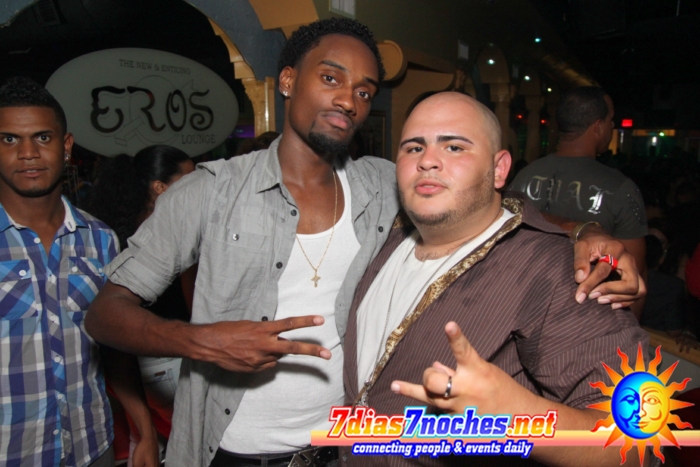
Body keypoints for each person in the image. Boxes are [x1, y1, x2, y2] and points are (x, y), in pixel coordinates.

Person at [85, 19, 644, 467]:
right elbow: (104, 315)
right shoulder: (207, 192)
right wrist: (201, 342)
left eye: (363, 91)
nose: (349, 100)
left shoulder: (383, 185)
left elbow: (481, 202)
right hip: (228, 449)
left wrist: (584, 231)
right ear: (287, 81)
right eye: (330, 78)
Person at [344, 92, 647, 466]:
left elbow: (639, 440)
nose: (427, 161)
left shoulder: (554, 271)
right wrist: (583, 226)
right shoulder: (387, 234)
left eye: (454, 147)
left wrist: (517, 416)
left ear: (499, 169)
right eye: (414, 148)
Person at [0, 77, 156, 467]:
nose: (28, 153)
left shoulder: (100, 240)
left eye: (42, 138)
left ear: (66, 146)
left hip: (91, 447)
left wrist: (144, 429)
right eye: (9, 140)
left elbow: (115, 347)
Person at [85, 146, 195, 464]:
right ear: (160, 187)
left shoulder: (118, 229)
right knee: (190, 445)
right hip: (169, 359)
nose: (199, 186)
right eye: (190, 179)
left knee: (145, 442)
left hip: (134, 363)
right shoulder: (171, 235)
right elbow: (193, 305)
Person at [509, 87, 648, 317]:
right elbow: (633, 277)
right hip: (586, 317)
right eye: (611, 120)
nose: (612, 126)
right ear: (598, 126)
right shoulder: (621, 188)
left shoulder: (523, 176)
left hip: (520, 305)